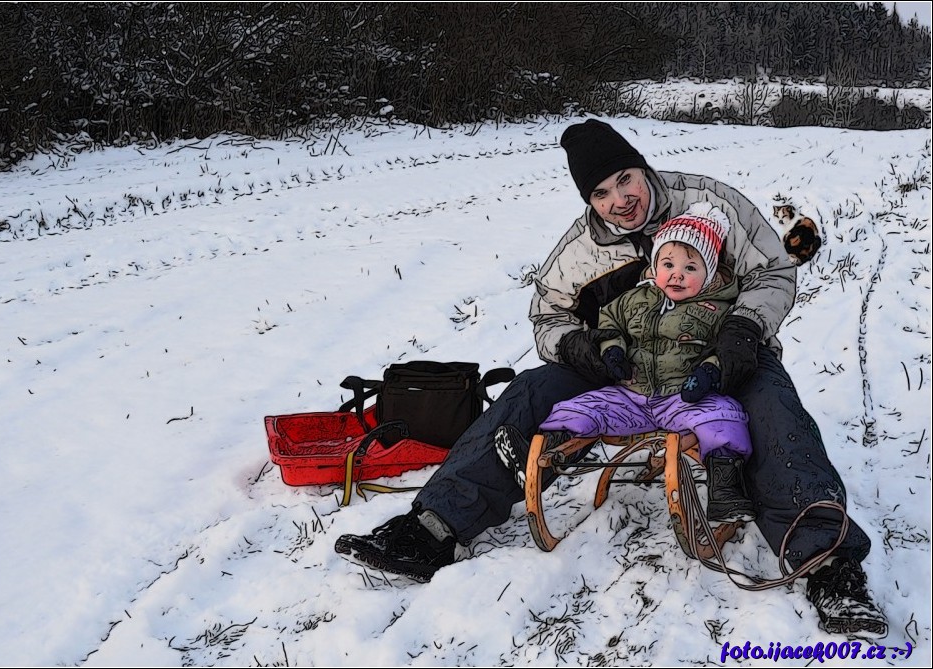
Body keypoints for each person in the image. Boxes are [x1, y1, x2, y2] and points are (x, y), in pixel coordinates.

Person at [334, 119, 888, 637]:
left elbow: (774, 268)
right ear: (590, 201)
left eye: (626, 180)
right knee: (530, 391)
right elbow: (548, 314)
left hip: (722, 354)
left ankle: (829, 566)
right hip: (626, 371)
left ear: (643, 168)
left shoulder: (709, 203)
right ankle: (433, 528)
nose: (620, 200)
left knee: (773, 413)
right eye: (601, 193)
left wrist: (744, 328)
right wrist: (579, 346)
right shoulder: (582, 250)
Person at [494, 202, 756, 523]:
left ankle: (726, 490)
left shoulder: (717, 308)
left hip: (684, 399)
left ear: (709, 273)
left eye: (690, 268)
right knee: (581, 407)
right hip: (631, 395)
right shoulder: (635, 299)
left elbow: (728, 346)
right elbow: (609, 324)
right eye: (668, 264)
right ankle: (545, 455)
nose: (677, 274)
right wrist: (612, 350)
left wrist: (710, 371)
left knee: (725, 417)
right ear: (655, 265)